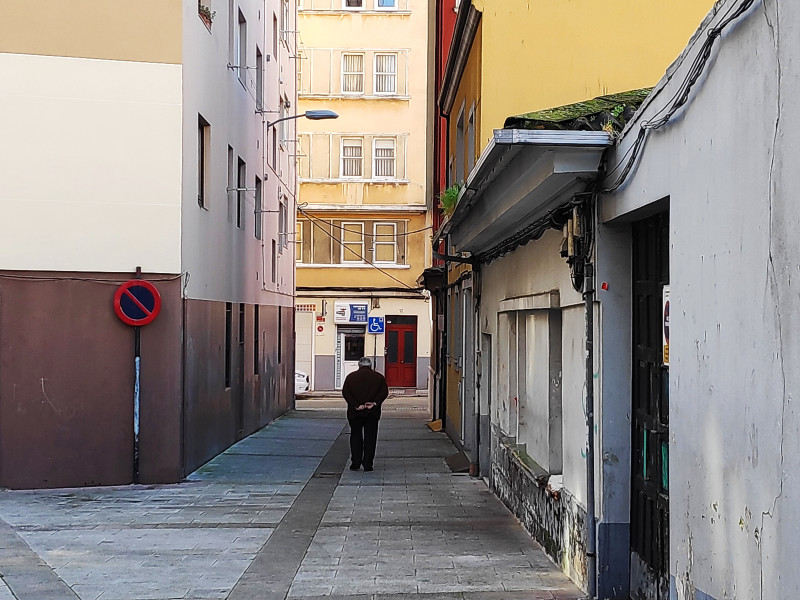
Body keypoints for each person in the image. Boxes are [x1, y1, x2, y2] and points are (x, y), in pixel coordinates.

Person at [342, 357, 388, 471]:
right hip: (372, 412)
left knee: (355, 436)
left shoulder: (351, 377)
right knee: (370, 438)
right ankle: (368, 464)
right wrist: (374, 403)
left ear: (359, 365)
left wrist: (356, 405)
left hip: (355, 413)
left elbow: (346, 392)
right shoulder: (379, 377)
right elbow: (384, 392)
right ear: (370, 365)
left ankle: (355, 462)